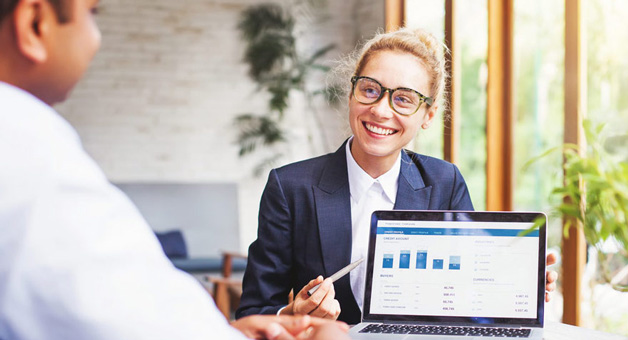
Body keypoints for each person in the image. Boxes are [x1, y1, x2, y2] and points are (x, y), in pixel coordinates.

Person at [0, 0, 350, 339]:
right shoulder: (29, 154)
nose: (96, 37)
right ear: (34, 23)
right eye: (91, 13)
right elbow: (116, 315)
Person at [236, 27, 558, 325]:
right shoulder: (290, 188)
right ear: (352, 94)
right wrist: (295, 313)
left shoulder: (445, 182)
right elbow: (254, 313)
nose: (380, 110)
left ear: (428, 115)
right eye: (370, 89)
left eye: (403, 99)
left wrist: (516, 288)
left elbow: (466, 293)